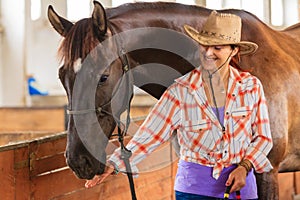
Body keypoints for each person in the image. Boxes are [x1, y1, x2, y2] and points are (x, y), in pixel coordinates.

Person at [85, 10, 273, 200]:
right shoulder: (180, 91)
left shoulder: (251, 87)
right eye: (204, 45)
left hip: (241, 190)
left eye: (218, 47)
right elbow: (149, 135)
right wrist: (115, 163)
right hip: (193, 192)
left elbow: (264, 138)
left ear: (234, 51)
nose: (208, 53)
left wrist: (245, 166)